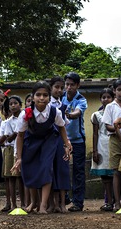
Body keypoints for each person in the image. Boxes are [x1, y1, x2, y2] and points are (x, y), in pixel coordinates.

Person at [12, 81, 72, 214]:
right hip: (31, 141)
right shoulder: (25, 113)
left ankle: (43, 205)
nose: (41, 98)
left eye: (45, 95)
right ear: (33, 97)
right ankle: (34, 201)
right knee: (30, 169)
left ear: (49, 97)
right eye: (38, 95)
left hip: (48, 140)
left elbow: (61, 127)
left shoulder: (54, 111)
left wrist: (66, 144)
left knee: (46, 168)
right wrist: (19, 157)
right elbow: (20, 136)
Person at [101, 78, 121, 212]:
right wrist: (117, 127)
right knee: (116, 171)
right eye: (119, 90)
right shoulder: (110, 107)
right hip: (115, 140)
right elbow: (107, 126)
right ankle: (117, 202)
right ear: (114, 91)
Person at [62, 72, 87, 212]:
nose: (69, 87)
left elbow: (78, 112)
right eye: (67, 84)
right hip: (63, 140)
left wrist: (69, 115)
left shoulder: (81, 99)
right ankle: (63, 198)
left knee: (78, 171)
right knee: (62, 169)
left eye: (72, 84)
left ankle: (78, 202)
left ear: (77, 85)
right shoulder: (61, 98)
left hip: (77, 140)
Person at [90, 88, 115, 211]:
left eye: (108, 97)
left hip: (115, 143)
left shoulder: (117, 113)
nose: (106, 99)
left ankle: (118, 201)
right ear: (100, 99)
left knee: (116, 174)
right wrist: (94, 150)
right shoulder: (96, 115)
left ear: (113, 98)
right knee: (105, 176)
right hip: (102, 145)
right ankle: (109, 201)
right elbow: (95, 133)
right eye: (103, 97)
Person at [49, 76, 71, 213]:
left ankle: (63, 203)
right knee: (50, 170)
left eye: (61, 88)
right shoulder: (46, 105)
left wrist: (67, 143)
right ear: (50, 87)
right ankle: (52, 204)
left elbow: (64, 127)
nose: (59, 90)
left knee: (62, 170)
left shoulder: (62, 106)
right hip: (48, 141)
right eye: (56, 87)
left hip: (60, 142)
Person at [2, 95, 25, 211]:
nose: (13, 106)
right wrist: (18, 132)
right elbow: (9, 138)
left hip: (24, 148)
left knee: (21, 178)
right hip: (11, 149)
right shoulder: (8, 122)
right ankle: (13, 204)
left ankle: (24, 204)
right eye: (10, 104)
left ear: (20, 105)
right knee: (11, 177)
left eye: (15, 103)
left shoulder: (25, 116)